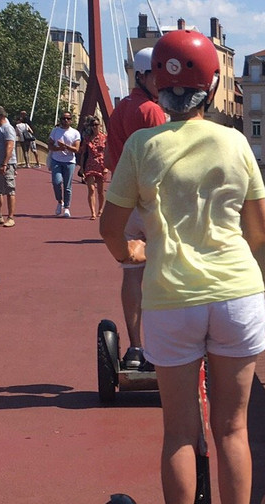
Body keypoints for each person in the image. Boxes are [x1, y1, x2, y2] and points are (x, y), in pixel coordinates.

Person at [100, 30, 265, 504]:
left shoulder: (141, 147)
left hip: (171, 297)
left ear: (159, 85)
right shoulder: (235, 144)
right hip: (236, 294)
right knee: (233, 430)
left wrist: (137, 250)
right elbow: (261, 231)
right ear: (212, 85)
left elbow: (111, 227)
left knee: (179, 432)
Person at [104, 46, 168, 370]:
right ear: (143, 76)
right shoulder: (153, 111)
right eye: (158, 76)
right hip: (151, 202)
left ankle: (135, 347)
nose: (163, 82)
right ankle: (161, 347)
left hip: (123, 203)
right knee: (163, 273)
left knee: (131, 274)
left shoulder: (118, 110)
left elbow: (107, 159)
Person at [47, 111, 80, 217]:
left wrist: (65, 146)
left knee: (67, 186)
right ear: (60, 120)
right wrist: (58, 148)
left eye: (68, 118)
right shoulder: (55, 131)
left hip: (69, 162)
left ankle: (66, 207)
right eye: (63, 118)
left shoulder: (75, 133)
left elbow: (76, 149)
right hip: (56, 160)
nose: (66, 120)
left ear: (71, 120)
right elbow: (50, 146)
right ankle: (59, 202)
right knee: (56, 182)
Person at [79, 116, 107, 219]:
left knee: (100, 191)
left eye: (96, 125)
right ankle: (93, 213)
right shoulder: (87, 138)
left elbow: (108, 152)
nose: (95, 127)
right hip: (90, 164)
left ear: (100, 125)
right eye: (93, 125)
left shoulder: (105, 137)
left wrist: (107, 167)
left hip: (101, 164)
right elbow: (83, 154)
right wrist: (81, 167)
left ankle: (100, 209)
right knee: (91, 189)